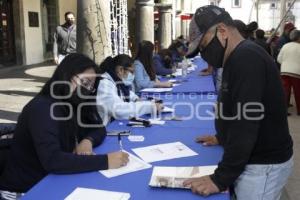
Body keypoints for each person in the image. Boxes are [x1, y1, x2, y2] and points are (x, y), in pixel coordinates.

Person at [183, 5, 293, 199]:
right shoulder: (235, 58)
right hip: (254, 161)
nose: (204, 53)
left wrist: (219, 179)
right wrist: (223, 137)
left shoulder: (246, 58)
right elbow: (237, 108)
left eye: (204, 45)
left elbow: (246, 124)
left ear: (222, 31)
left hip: (261, 164)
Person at [0, 54, 129, 199]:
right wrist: (105, 161)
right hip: (25, 190)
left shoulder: (72, 103)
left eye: (90, 86)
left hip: (51, 179)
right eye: (84, 82)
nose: (86, 89)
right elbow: (53, 160)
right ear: (67, 74)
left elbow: (98, 128)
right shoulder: (42, 108)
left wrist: (87, 141)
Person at [96, 54, 163, 126]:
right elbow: (119, 110)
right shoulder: (104, 84)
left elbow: (128, 94)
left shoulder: (116, 81)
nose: (133, 76)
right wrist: (150, 106)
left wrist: (137, 99)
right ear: (120, 70)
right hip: (106, 129)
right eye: (131, 72)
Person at [277, 29, 300, 115]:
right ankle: (299, 111)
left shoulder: (285, 46)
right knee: (298, 92)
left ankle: (284, 110)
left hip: (284, 71)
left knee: (285, 91)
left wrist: (286, 64)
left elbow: (279, 59)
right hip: (297, 73)